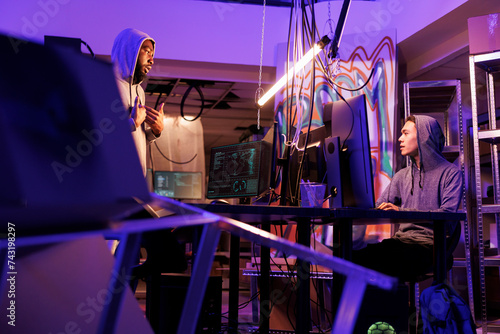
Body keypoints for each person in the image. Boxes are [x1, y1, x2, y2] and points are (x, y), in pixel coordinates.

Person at [111, 28, 187, 278]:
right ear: (129, 51)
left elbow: (136, 142)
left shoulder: (140, 92)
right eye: (146, 50)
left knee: (129, 260)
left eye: (153, 53)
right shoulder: (109, 86)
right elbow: (97, 140)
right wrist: (132, 123)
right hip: (113, 193)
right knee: (109, 256)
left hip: (133, 189)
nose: (152, 59)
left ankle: (120, 312)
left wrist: (155, 131)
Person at [352, 114, 463, 281]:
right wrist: (358, 201)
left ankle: (393, 306)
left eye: (405, 133)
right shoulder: (402, 175)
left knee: (379, 262)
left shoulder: (451, 173)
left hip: (429, 246)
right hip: (401, 242)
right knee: (352, 258)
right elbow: (379, 206)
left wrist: (401, 211)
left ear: (423, 137)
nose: (399, 138)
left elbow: (446, 215)